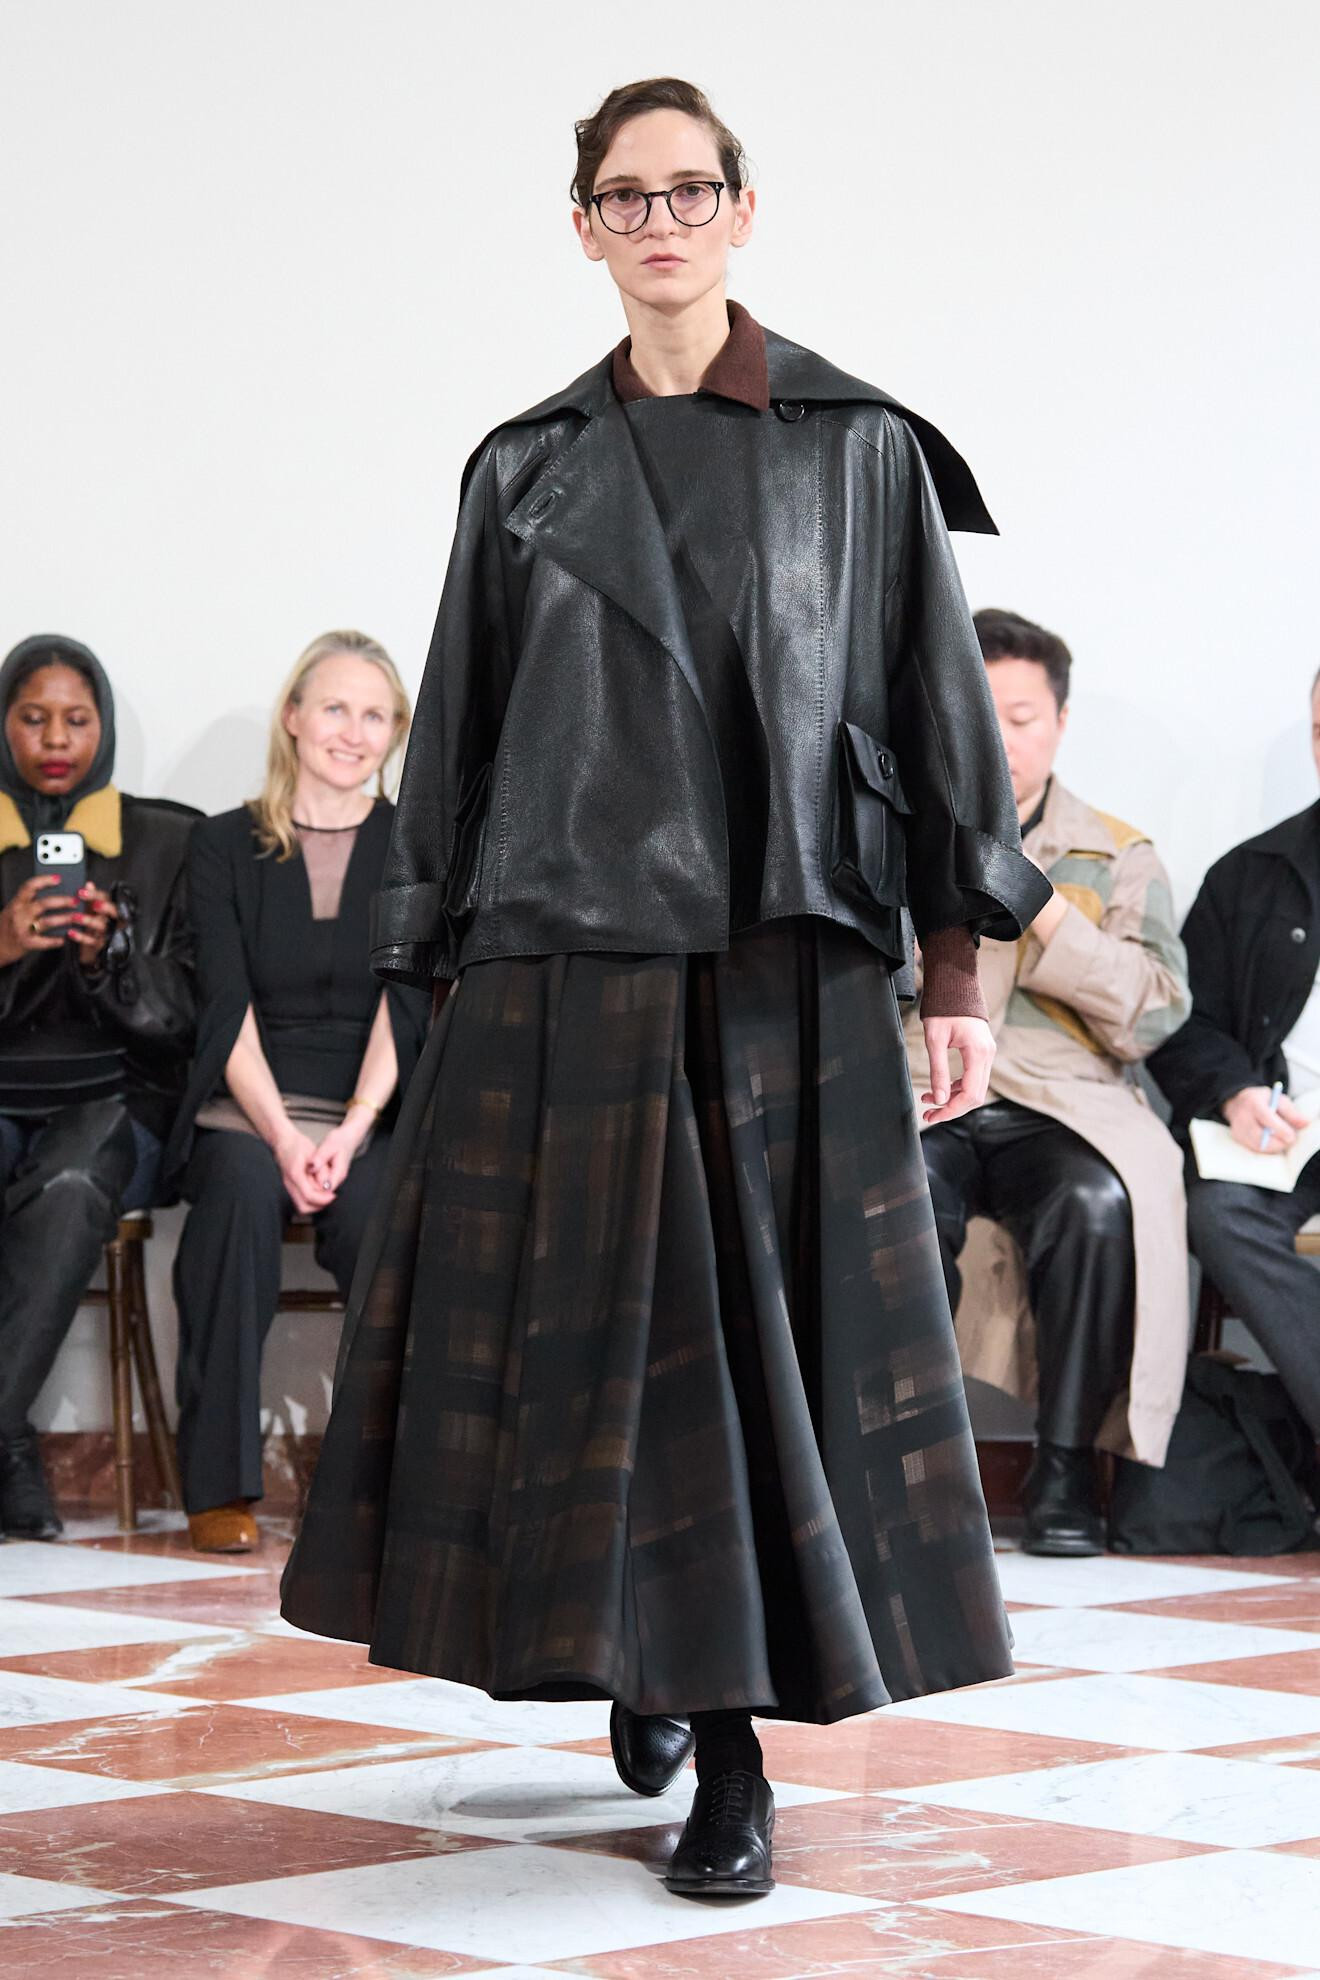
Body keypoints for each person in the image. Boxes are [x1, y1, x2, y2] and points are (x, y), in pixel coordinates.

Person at [280, 79, 1048, 1899]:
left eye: (690, 190)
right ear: (585, 230)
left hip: (787, 963)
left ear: (741, 210)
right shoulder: (521, 468)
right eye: (626, 197)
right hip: (570, 967)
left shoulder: (859, 449)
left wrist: (956, 968)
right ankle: (648, 1666)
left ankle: (730, 1747)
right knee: (593, 1365)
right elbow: (459, 743)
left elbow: (936, 710)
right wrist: (424, 978)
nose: (661, 222)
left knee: (756, 1373)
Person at [907, 610, 1190, 1555]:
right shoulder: (896, 837)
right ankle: (900, 1470)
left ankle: (1065, 1473)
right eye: (976, 715)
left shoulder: (1117, 852)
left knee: (1098, 1204)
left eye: (1021, 718)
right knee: (894, 1195)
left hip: (1062, 1108)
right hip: (930, 1085)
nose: (1000, 740)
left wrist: (1047, 913)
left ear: (1061, 723)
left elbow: (1155, 1014)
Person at [164, 632, 429, 1556]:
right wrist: (282, 1138)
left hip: (367, 1105)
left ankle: (374, 1491)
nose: (354, 732)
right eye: (335, 708)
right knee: (236, 1202)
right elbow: (223, 1005)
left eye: (376, 715)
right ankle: (219, 1490)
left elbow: (407, 1003)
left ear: (396, 732)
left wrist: (351, 1132)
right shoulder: (220, 843)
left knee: (381, 1219)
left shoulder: (412, 846)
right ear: (292, 716)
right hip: (249, 1103)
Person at [0, 634, 197, 1539]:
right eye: (32, 717)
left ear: (104, 726)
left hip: (116, 1100)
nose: (55, 739)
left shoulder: (167, 840)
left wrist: (107, 961)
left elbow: (189, 1016)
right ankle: (8, 1443)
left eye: (76, 719)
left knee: (73, 1183)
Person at [1150, 667, 1320, 1434]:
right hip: (1282, 1133)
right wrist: (1235, 1091)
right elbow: (1184, 1021)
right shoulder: (1251, 875)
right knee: (1219, 1214)